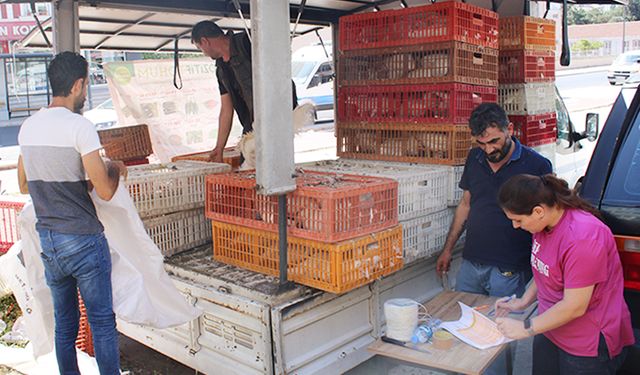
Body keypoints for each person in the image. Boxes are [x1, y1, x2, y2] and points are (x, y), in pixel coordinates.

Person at [17, 51, 127, 375]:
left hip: (49, 242)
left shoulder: (28, 127)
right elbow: (105, 188)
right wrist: (115, 168)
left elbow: (24, 185)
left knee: (65, 325)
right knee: (102, 323)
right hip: (83, 240)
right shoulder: (80, 127)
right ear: (78, 85)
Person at [495, 173, 633, 375]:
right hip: (550, 326)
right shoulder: (544, 225)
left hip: (586, 342)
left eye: (518, 220)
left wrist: (525, 328)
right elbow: (544, 267)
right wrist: (524, 301)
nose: (515, 226)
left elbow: (574, 306)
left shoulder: (582, 238)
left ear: (538, 211)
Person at [436, 103, 552, 298]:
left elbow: (547, 221)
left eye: (494, 141)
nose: (488, 150)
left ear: (510, 130)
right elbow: (466, 205)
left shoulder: (537, 165)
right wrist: (447, 249)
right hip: (471, 263)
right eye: (481, 144)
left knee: (504, 325)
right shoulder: (474, 158)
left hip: (511, 269)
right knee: (463, 320)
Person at [191, 20, 297, 163]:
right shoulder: (221, 70)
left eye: (200, 48)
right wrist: (219, 147)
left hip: (277, 116)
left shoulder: (248, 42)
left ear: (204, 41)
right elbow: (226, 110)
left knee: (274, 165)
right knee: (247, 163)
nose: (203, 53)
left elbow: (280, 73)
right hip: (252, 123)